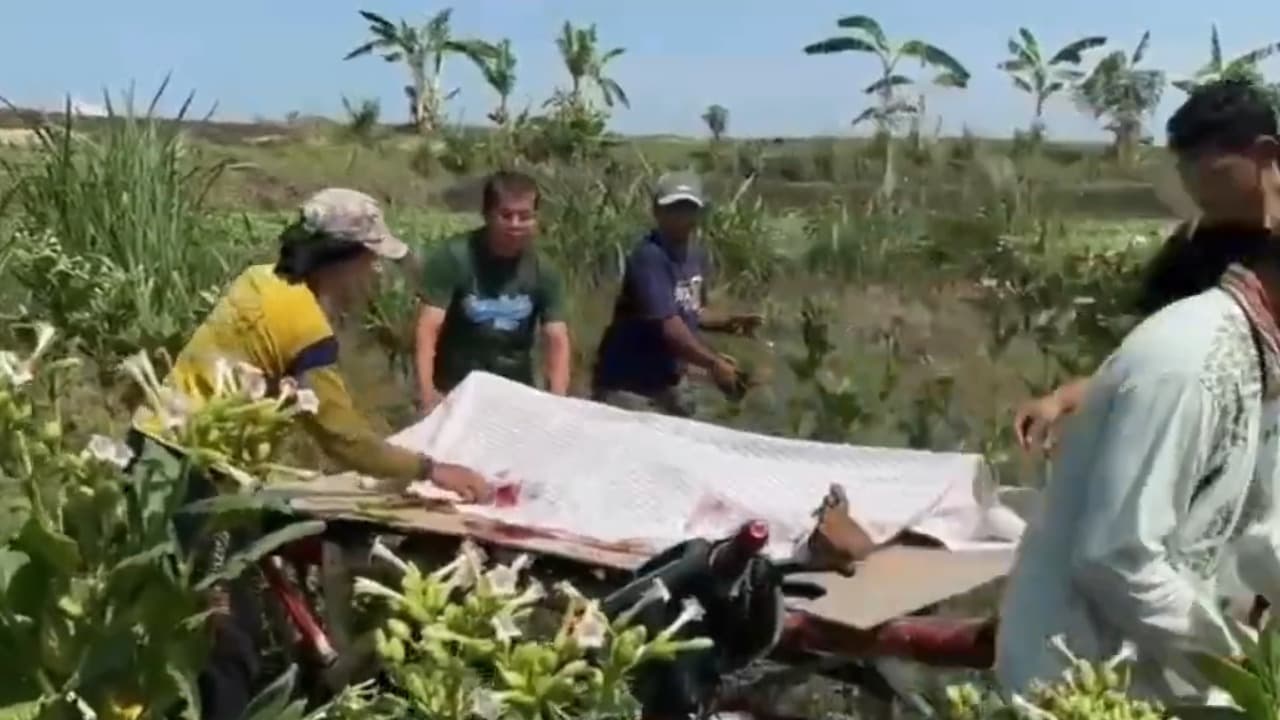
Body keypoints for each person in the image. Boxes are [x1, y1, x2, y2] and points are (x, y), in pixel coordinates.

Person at [129, 187, 492, 719]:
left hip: (149, 453)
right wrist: (431, 468)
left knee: (174, 617)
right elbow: (341, 437)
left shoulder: (258, 281)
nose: (375, 276)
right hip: (196, 478)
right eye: (370, 261)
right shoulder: (304, 325)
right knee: (225, 635)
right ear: (339, 260)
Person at [996, 79, 1280, 704]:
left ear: (1263, 154)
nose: (1188, 178)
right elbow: (1161, 365)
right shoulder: (1193, 304)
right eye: (1181, 161)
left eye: (1203, 159)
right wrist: (1239, 671)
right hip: (1089, 663)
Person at [591, 171, 762, 416]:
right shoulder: (649, 258)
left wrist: (728, 323)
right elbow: (670, 326)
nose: (682, 217)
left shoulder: (696, 256)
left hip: (669, 379)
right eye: (674, 208)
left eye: (688, 209)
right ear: (657, 211)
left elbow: (691, 310)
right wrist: (713, 364)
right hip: (629, 386)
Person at [414, 171, 571, 410]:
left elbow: (557, 339)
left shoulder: (543, 270)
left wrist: (557, 400)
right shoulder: (454, 257)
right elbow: (428, 328)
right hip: (455, 388)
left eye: (524, 216)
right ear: (487, 215)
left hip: (514, 389)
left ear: (536, 218)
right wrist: (426, 392)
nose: (515, 225)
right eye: (506, 215)